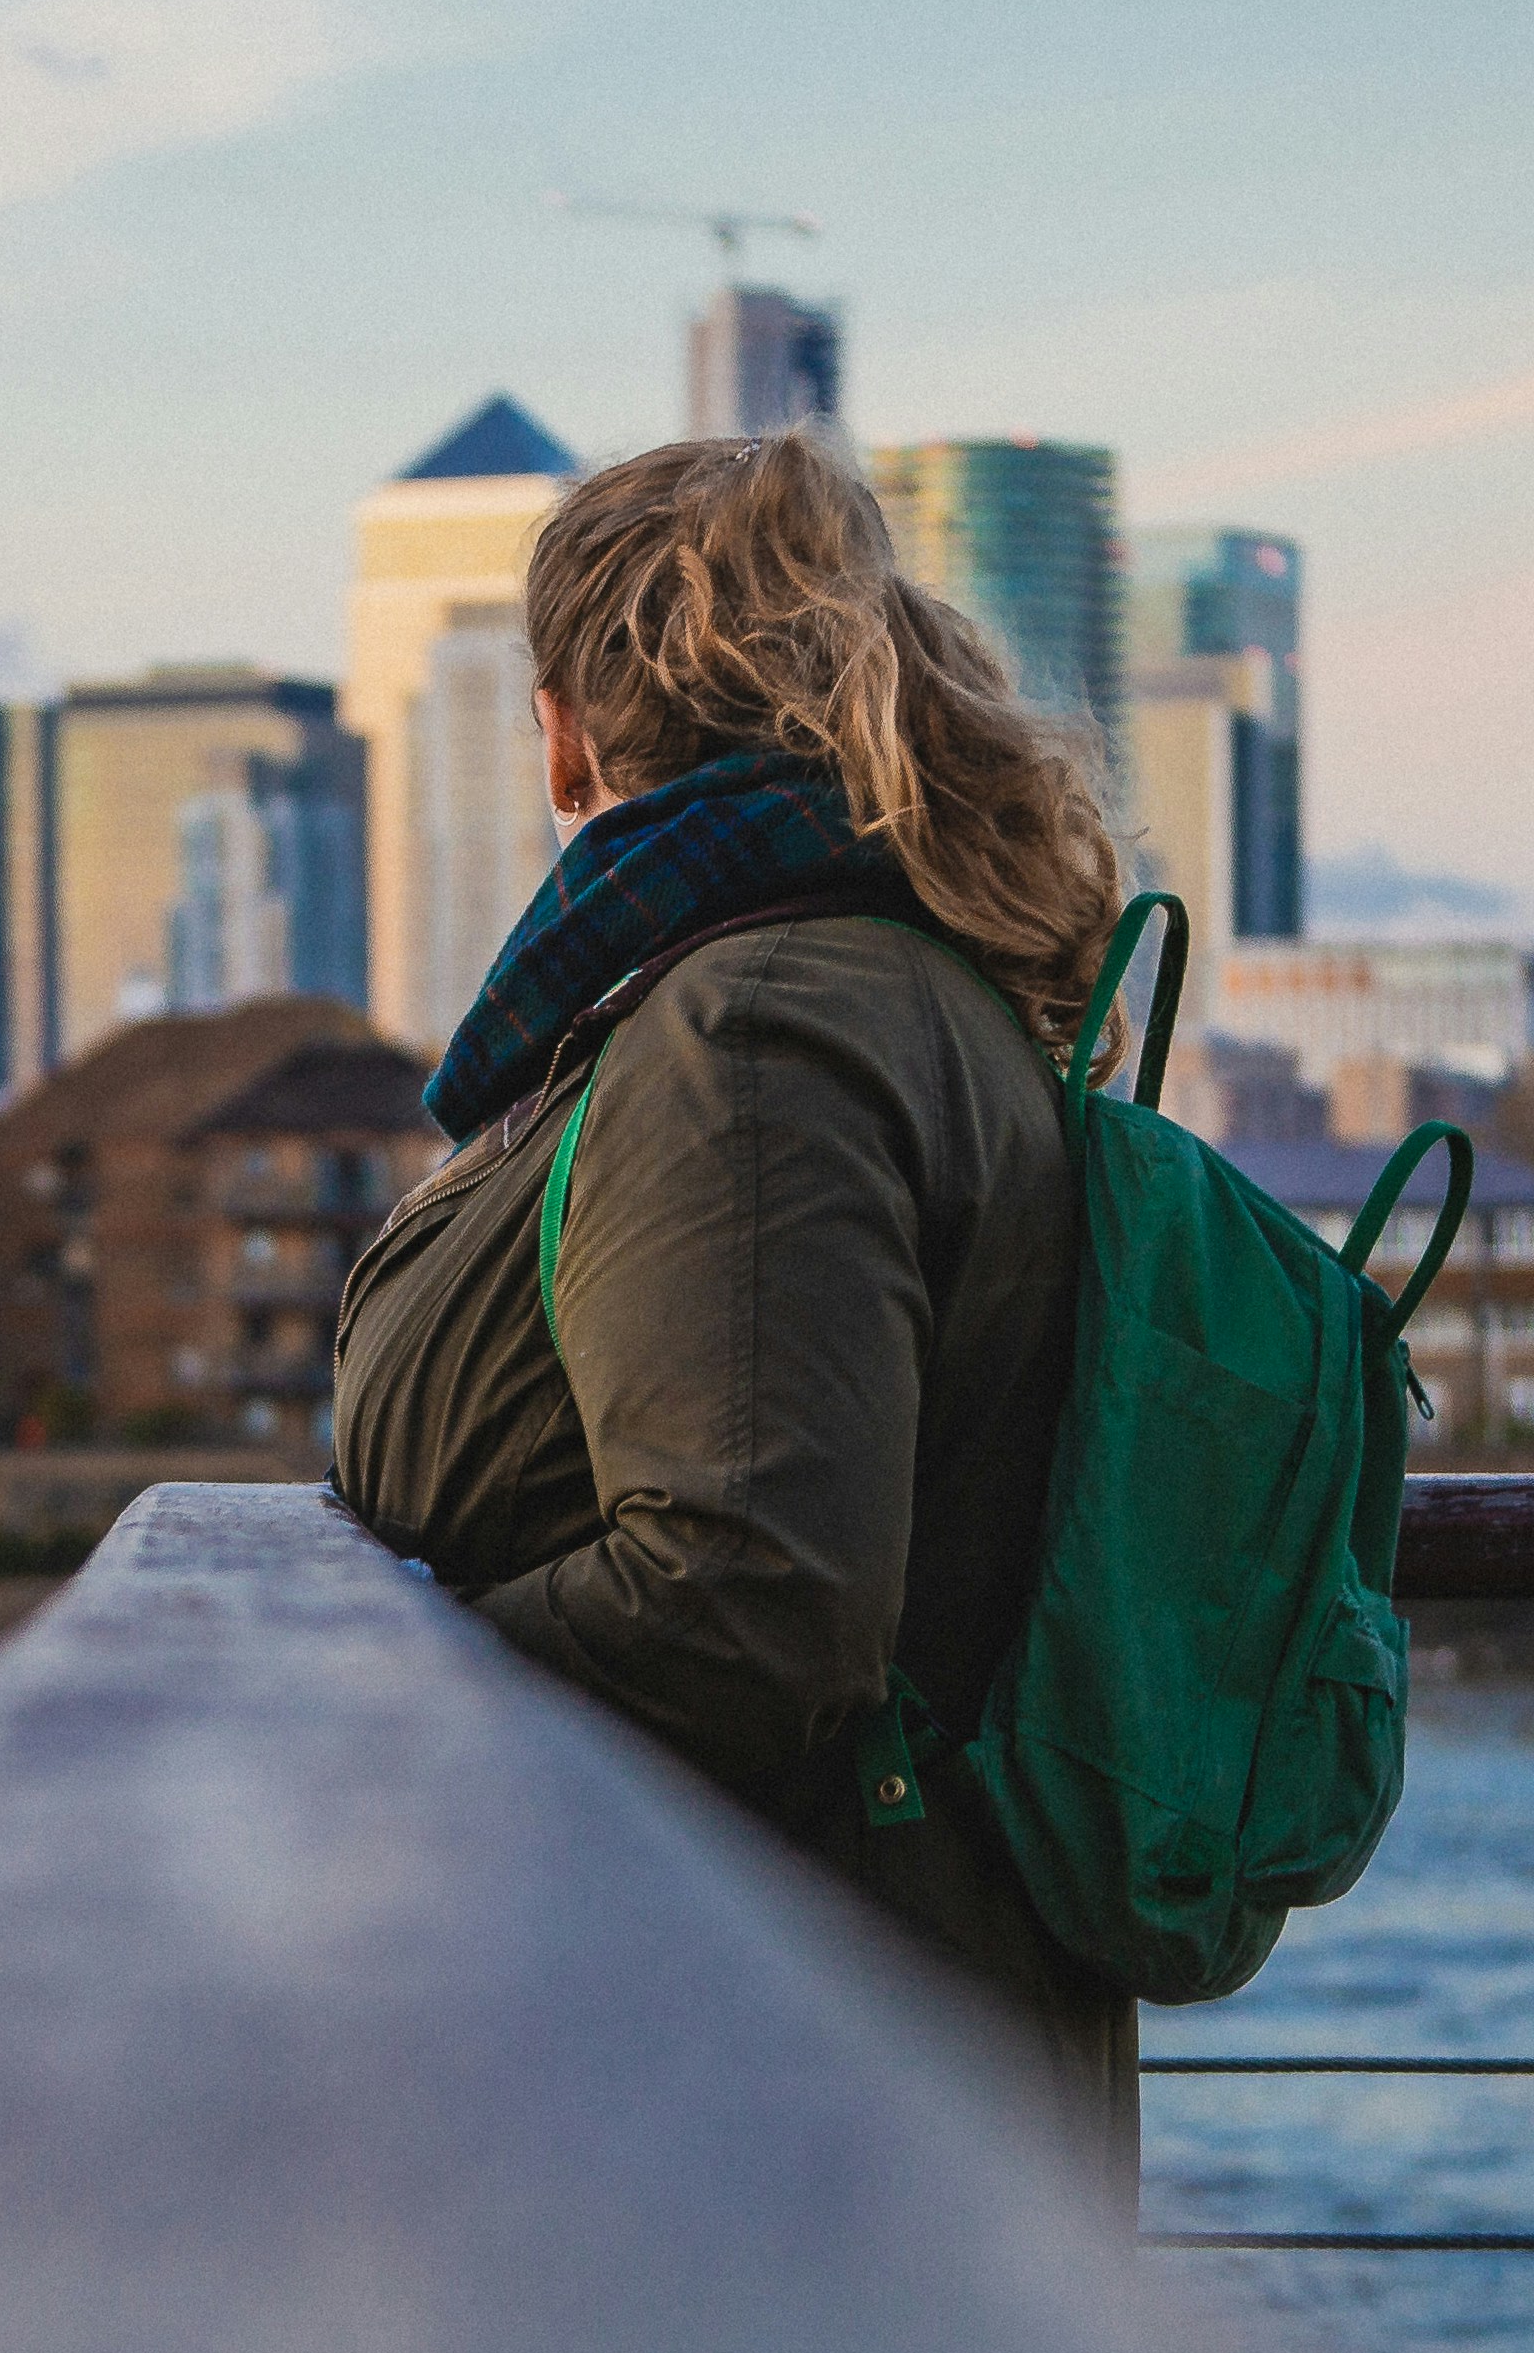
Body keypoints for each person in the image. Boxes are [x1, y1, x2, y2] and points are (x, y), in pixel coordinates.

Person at [332, 428, 1140, 2177]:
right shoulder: (867, 980)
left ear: (559, 735)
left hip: (785, 2066)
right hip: (847, 2018)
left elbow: (753, 1596)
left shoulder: (753, 1033)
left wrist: (369, 1694)